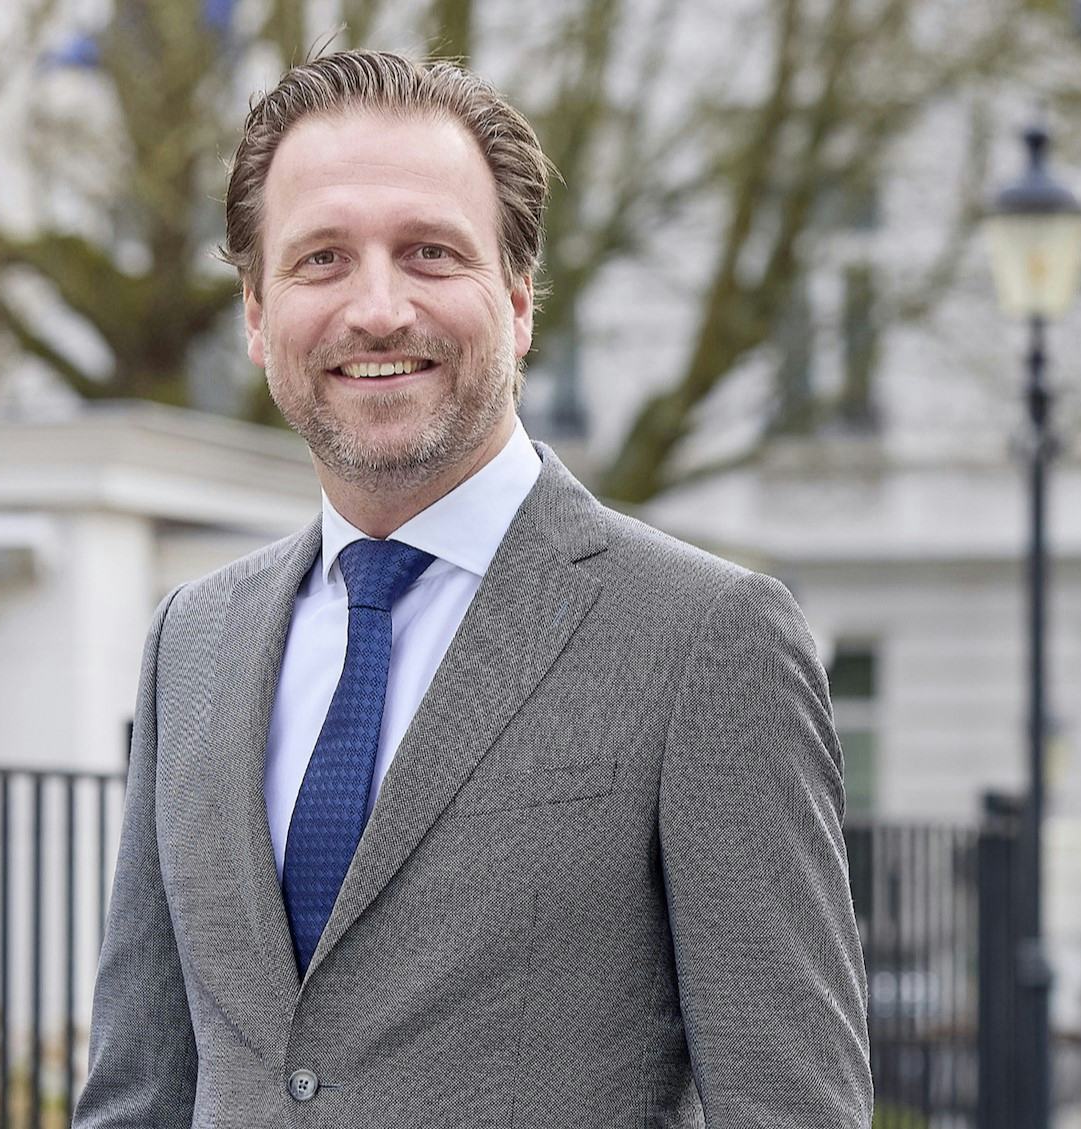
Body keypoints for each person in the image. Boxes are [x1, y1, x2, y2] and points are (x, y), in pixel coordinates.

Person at [74, 50, 873, 1127]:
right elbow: (139, 1093)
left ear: (518, 300)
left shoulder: (704, 638)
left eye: (430, 252)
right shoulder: (194, 640)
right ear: (258, 315)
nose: (377, 308)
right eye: (321, 259)